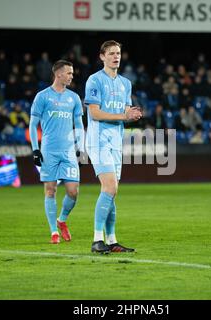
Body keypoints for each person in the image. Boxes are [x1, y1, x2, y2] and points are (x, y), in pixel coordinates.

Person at [84, 40, 142, 253]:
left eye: (118, 53)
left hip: (116, 141)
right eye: (111, 53)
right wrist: (122, 116)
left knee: (111, 192)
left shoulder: (125, 83)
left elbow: (125, 113)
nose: (116, 57)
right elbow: (94, 113)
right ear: (102, 56)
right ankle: (97, 240)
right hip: (98, 140)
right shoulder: (94, 80)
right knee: (110, 187)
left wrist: (132, 115)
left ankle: (112, 240)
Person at [29, 60, 84, 244]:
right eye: (69, 73)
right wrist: (35, 149)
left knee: (73, 192)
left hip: (68, 152)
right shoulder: (42, 97)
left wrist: (80, 147)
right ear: (58, 74)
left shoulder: (74, 98)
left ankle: (62, 220)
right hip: (49, 151)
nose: (71, 76)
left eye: (72, 73)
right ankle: (54, 231)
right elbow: (32, 124)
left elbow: (79, 125)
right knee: (50, 190)